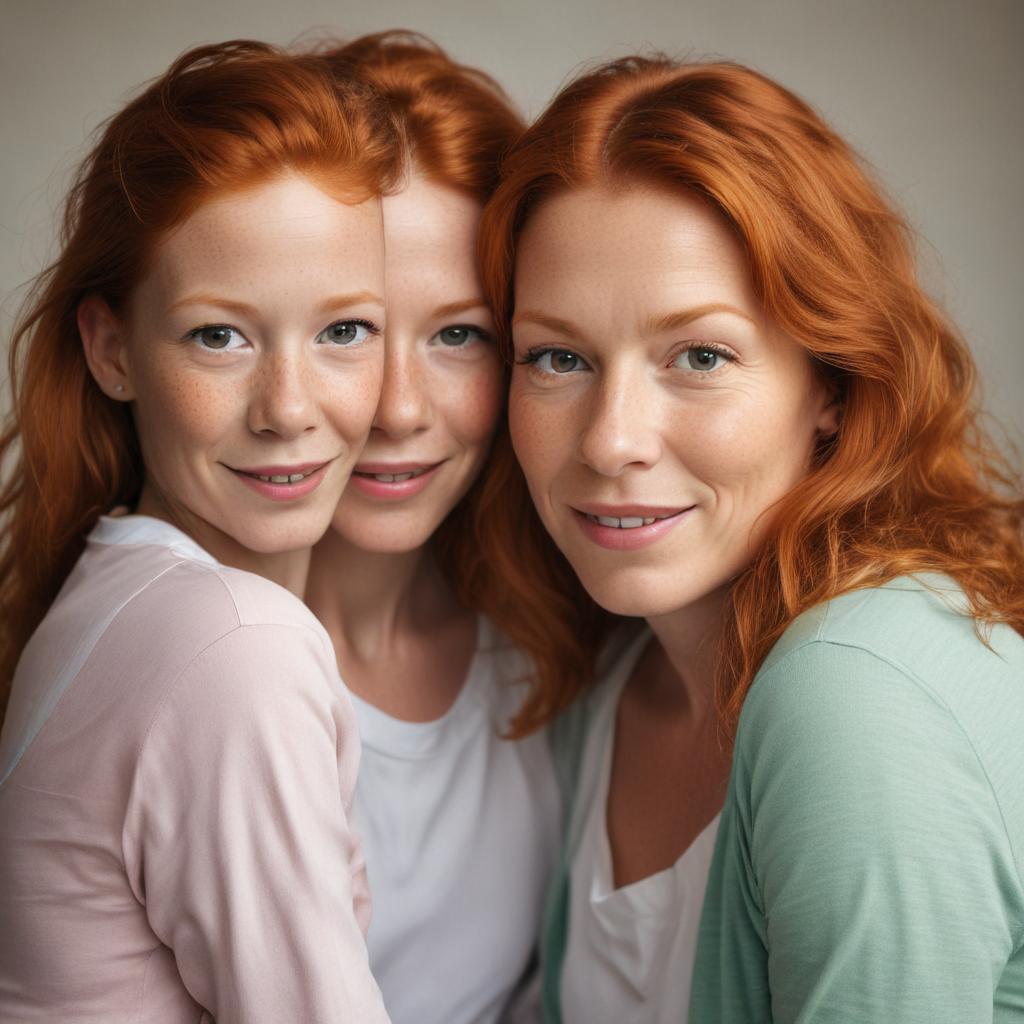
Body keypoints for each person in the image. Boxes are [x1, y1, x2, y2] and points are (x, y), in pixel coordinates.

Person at [474, 55, 1024, 1023]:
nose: (609, 439)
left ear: (831, 385)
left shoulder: (854, 696)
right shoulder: (609, 681)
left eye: (699, 356)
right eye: (556, 357)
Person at [0, 41, 399, 1022]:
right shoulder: (235, 646)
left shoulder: (117, 590)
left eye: (343, 330)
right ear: (111, 350)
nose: (290, 408)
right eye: (220, 335)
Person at [304, 32, 560, 1024]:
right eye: (346, 330)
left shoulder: (549, 647)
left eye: (458, 334)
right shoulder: (191, 675)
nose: (396, 410)